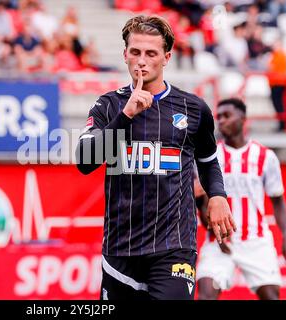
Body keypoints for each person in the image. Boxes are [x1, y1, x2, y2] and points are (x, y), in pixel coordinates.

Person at [75, 15, 235, 300]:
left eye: (151, 53)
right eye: (135, 52)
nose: (141, 61)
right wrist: (126, 116)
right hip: (120, 249)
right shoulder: (107, 105)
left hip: (174, 245)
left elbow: (208, 161)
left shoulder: (194, 108)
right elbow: (85, 162)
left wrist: (218, 195)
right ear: (125, 55)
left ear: (166, 57)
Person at [196, 98, 286, 300]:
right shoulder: (210, 156)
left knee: (271, 296)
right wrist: (215, 229)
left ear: (243, 119)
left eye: (227, 116)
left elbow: (278, 201)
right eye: (219, 117)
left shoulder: (265, 156)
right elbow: (202, 200)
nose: (221, 121)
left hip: (255, 240)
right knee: (206, 294)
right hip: (219, 240)